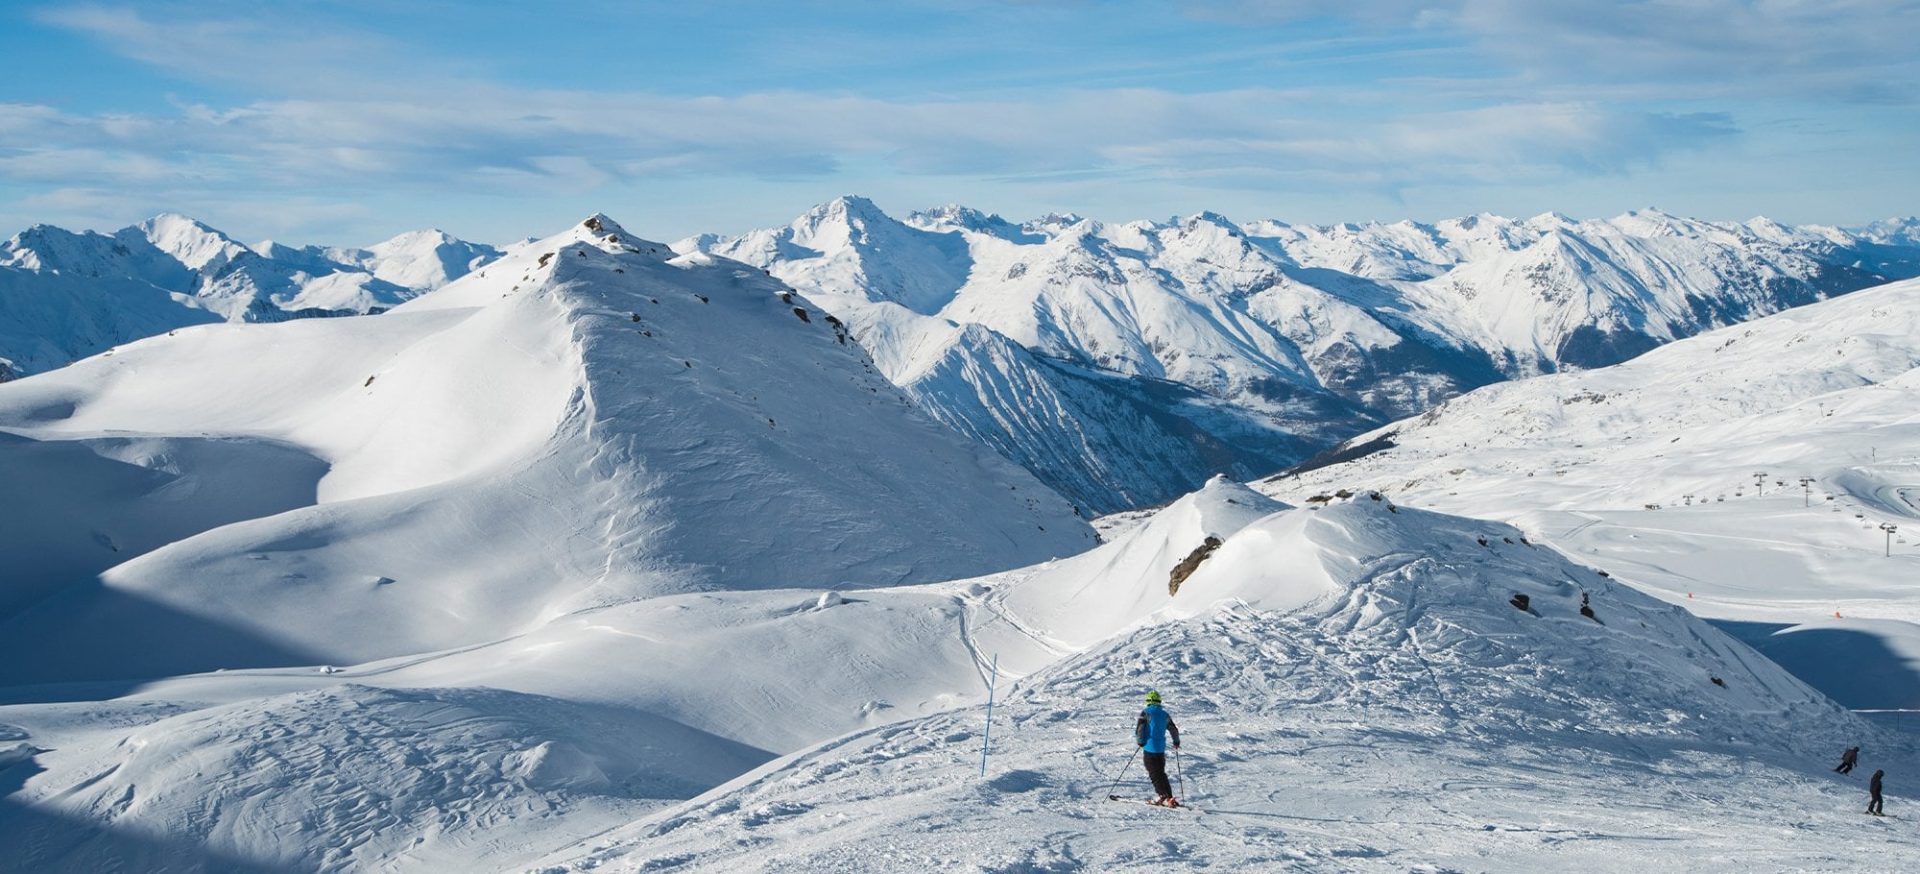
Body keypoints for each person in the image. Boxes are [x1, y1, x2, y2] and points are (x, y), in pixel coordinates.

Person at [1134, 690, 1182, 807]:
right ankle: (1169, 797)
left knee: (1154, 774)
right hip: (1160, 749)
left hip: (1149, 748)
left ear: (1148, 701)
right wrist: (1176, 741)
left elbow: (1140, 728)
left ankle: (1163, 796)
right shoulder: (1165, 714)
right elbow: (1173, 729)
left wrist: (1140, 741)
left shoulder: (1146, 713)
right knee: (1161, 773)